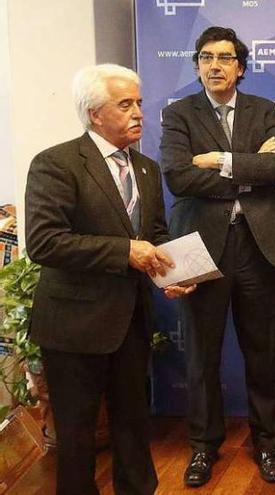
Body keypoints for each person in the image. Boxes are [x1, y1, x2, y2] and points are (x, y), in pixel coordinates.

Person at [25, 64, 194, 495]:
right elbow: (45, 243)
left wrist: (169, 275)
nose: (139, 112)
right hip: (74, 328)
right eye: (126, 105)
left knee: (134, 427)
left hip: (131, 323)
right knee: (78, 437)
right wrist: (124, 252)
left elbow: (153, 235)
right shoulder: (56, 163)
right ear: (96, 114)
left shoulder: (146, 168)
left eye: (139, 102)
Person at [159, 26, 275, 486]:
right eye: (205, 57)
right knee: (202, 354)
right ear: (198, 65)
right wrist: (247, 166)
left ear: (240, 66)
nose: (214, 65)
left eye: (224, 57)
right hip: (201, 247)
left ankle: (267, 443)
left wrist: (218, 159)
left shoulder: (265, 110)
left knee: (263, 351)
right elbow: (179, 178)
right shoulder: (179, 113)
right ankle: (203, 448)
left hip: (256, 246)